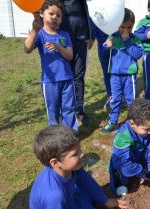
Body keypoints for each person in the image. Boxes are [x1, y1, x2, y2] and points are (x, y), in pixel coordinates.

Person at [29, 125, 128, 209]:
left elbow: (85, 181)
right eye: (75, 154)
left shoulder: (70, 167)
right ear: (55, 162)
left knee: (87, 193)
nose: (82, 154)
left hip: (71, 198)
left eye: (79, 149)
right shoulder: (55, 196)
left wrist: (105, 200)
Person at [24, 0, 78, 131]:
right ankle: (54, 136)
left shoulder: (64, 35)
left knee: (69, 108)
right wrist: (34, 30)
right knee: (53, 110)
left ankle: (70, 134)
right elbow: (27, 48)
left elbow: (70, 56)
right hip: (49, 81)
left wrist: (59, 47)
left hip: (67, 78)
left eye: (58, 16)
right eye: (51, 14)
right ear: (42, 13)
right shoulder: (40, 34)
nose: (55, 17)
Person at [109, 98, 150, 196]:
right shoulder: (122, 136)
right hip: (128, 161)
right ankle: (122, 182)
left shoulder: (149, 128)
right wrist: (142, 173)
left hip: (141, 156)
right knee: (119, 162)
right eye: (147, 129)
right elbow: (125, 163)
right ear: (132, 124)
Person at [100, 8, 143, 134]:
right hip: (114, 75)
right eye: (122, 27)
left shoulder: (135, 39)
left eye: (129, 27)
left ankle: (132, 121)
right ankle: (113, 121)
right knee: (115, 99)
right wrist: (106, 47)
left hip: (129, 75)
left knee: (131, 99)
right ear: (117, 25)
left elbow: (137, 54)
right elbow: (103, 51)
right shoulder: (112, 37)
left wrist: (127, 41)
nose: (125, 31)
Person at [59, 0, 93, 125]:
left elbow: (86, 8)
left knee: (79, 73)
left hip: (81, 29)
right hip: (63, 27)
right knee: (66, 73)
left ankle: (79, 109)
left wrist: (90, 34)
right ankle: (66, 109)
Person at [89, 18, 111, 110]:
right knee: (107, 72)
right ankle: (111, 96)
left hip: (117, 42)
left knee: (118, 71)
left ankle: (121, 96)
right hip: (102, 45)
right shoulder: (93, 10)